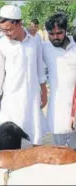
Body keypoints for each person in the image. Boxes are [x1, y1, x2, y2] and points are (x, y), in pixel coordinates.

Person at [0, 5, 47, 146]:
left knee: (34, 132)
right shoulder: (1, 45)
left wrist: (44, 91)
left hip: (31, 95)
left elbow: (39, 68)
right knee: (11, 135)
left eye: (9, 29)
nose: (6, 33)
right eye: (3, 30)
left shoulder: (34, 40)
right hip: (11, 97)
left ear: (19, 23)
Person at [42, 13, 76, 148]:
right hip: (57, 108)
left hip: (75, 102)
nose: (55, 37)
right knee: (59, 149)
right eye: (52, 33)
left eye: (59, 33)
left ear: (66, 30)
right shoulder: (44, 49)